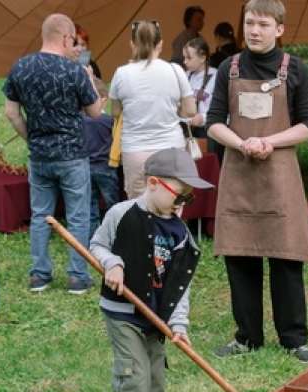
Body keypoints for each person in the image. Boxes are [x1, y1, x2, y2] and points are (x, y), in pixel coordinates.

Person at [206, 0, 308, 363]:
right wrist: (241, 143)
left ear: (280, 29)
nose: (254, 30)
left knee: (286, 258)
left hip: (279, 174)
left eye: (263, 24)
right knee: (240, 257)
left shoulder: (296, 69)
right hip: (239, 174)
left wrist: (270, 141)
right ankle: (247, 337)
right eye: (249, 23)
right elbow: (212, 121)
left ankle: (294, 339)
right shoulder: (229, 67)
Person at [90, 148, 212, 392]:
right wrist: (112, 264)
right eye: (179, 194)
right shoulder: (121, 213)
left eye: (189, 197)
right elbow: (98, 245)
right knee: (134, 375)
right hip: (123, 313)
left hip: (155, 318)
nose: (183, 203)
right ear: (154, 183)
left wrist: (180, 324)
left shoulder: (180, 234)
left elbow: (179, 286)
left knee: (156, 381)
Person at [3, 13, 105, 294]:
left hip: (39, 155)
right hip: (72, 154)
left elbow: (11, 113)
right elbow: (96, 113)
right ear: (64, 37)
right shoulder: (73, 70)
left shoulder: (21, 66)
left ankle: (39, 275)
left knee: (40, 215)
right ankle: (77, 276)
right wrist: (89, 79)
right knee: (78, 216)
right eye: (73, 40)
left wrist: (31, 137)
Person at [108, 20, 196, 199]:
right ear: (161, 43)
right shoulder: (175, 70)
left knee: (138, 205)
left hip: (135, 150)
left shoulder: (121, 73)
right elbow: (190, 111)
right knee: (171, 201)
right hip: (171, 147)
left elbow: (115, 112)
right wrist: (174, 110)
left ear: (132, 44)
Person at [84, 79, 118, 238]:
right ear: (104, 100)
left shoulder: (81, 121)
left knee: (90, 205)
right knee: (113, 204)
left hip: (86, 167)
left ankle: (93, 237)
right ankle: (115, 233)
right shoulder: (110, 121)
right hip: (106, 167)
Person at [182, 36, 216, 139]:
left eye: (189, 58)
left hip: (206, 132)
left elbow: (222, 110)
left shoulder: (216, 76)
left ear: (202, 58)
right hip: (186, 130)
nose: (185, 61)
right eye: (184, 57)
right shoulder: (185, 75)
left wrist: (203, 118)